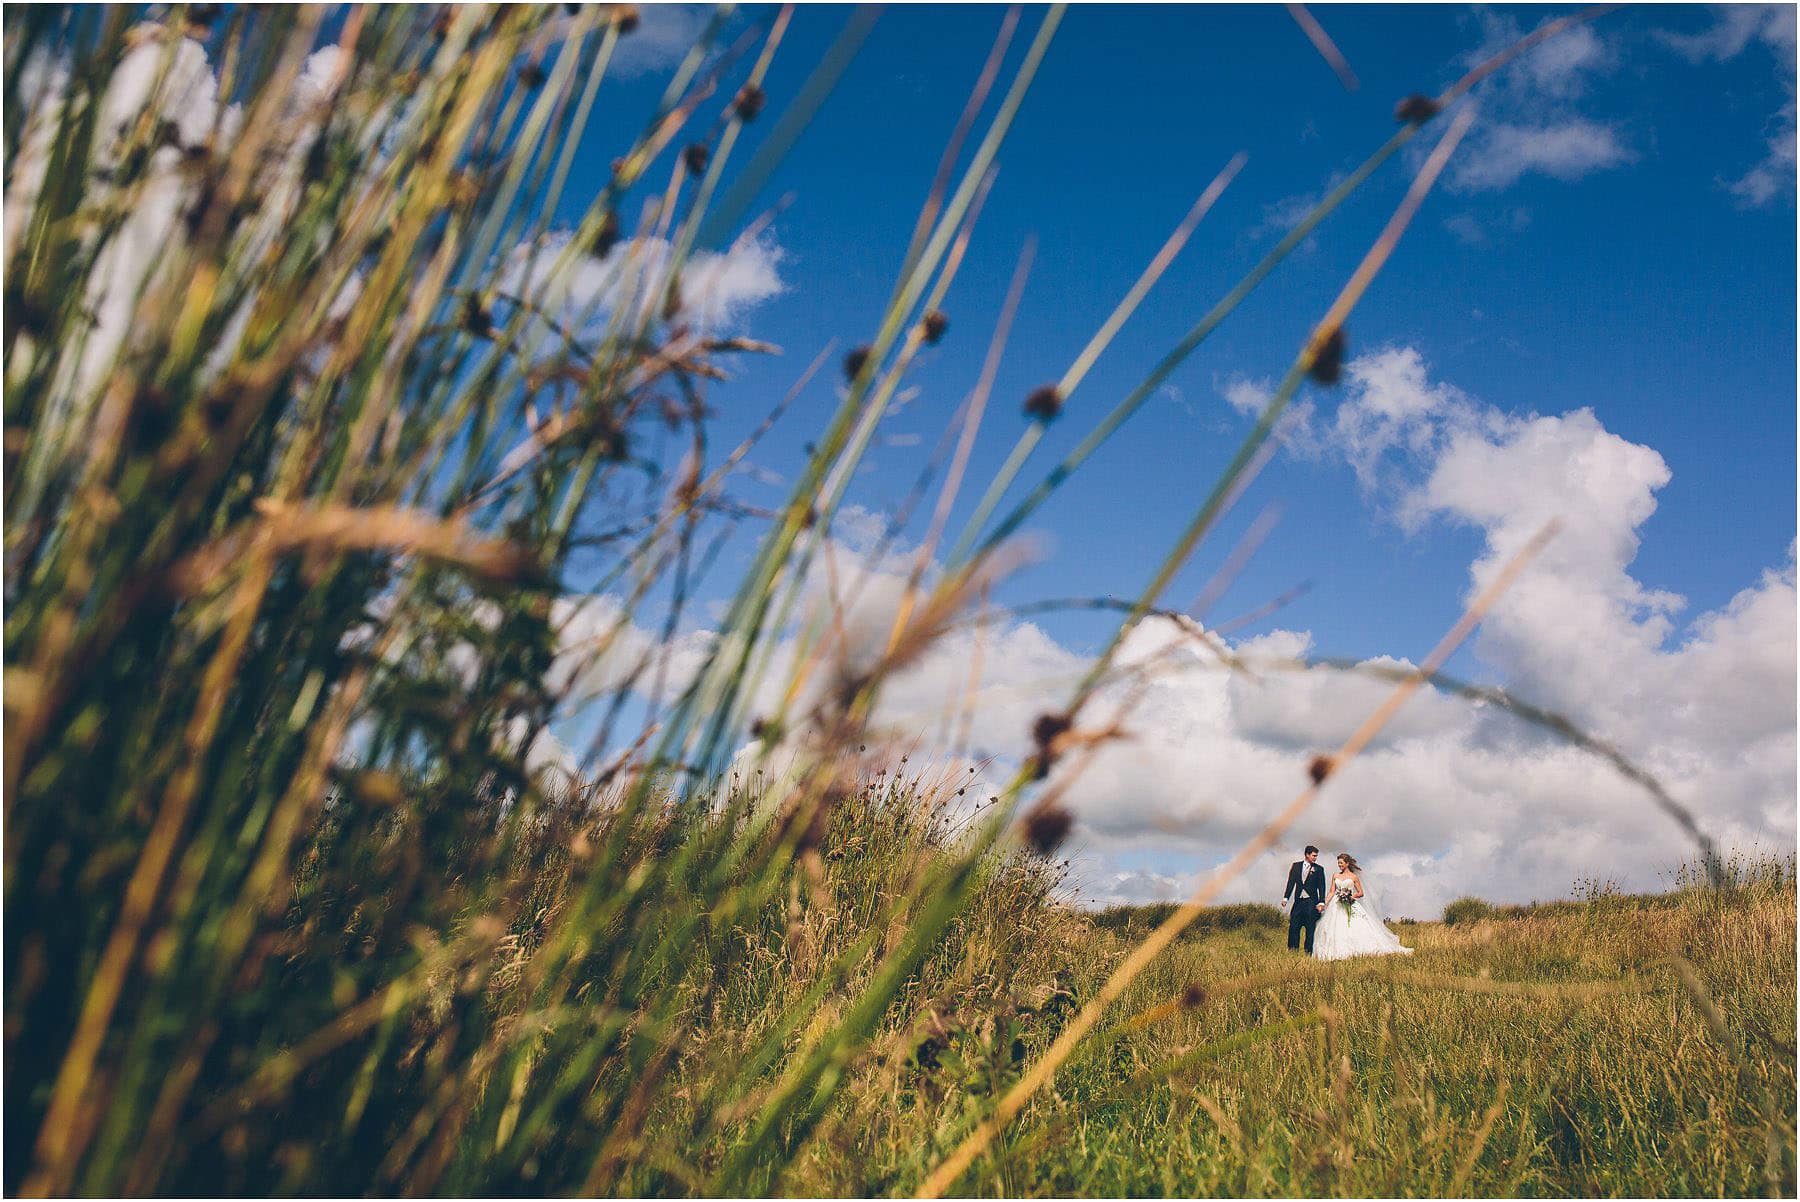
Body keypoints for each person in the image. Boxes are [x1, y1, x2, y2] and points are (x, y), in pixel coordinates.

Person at [1312, 853, 1414, 961]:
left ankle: (1357, 951)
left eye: (1341, 863)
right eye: (1338, 863)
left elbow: (1361, 893)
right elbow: (1332, 891)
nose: (1339, 865)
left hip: (1350, 903)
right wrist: (1324, 903)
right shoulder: (1335, 876)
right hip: (1336, 904)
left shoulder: (1354, 877)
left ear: (1347, 863)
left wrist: (1351, 896)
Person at [1280, 845, 1326, 954]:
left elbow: (1322, 886)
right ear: (1307, 855)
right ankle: (1292, 951)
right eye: (1314, 856)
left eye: (1316, 856)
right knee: (1294, 926)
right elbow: (1291, 883)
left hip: (1311, 901)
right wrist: (1286, 897)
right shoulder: (1296, 866)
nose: (1315, 858)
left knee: (1310, 928)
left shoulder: (1319, 869)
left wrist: (1321, 902)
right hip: (1298, 901)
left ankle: (1308, 953)